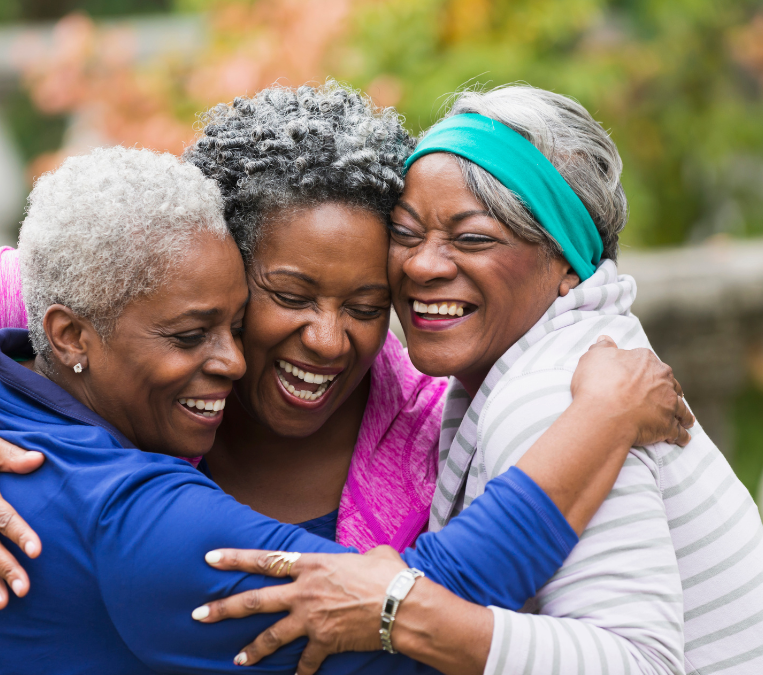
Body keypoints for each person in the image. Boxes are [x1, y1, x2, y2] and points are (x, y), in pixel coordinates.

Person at [0, 83, 688, 612]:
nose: (328, 338)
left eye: (366, 302)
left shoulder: (432, 409)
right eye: (287, 294)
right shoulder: (133, 310)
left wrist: (605, 407)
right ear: (227, 266)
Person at [190, 86, 763, 675]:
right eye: (407, 234)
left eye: (472, 239)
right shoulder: (560, 376)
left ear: (568, 262)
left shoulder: (556, 397)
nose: (422, 264)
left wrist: (394, 612)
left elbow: (640, 663)